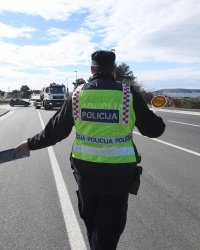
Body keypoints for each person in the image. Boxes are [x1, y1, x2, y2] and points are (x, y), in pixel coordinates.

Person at [15, 50, 165, 250]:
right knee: (108, 230)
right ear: (113, 70)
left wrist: (29, 143)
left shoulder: (78, 95)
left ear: (92, 69)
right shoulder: (128, 94)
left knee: (92, 221)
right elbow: (154, 130)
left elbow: (54, 132)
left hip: (85, 173)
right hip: (118, 174)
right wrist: (156, 118)